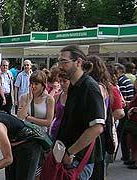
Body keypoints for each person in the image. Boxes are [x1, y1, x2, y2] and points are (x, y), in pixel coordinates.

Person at [53, 45, 105, 180]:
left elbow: (97, 127)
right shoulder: (73, 86)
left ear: (79, 62)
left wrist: (70, 152)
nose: (60, 66)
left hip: (79, 159)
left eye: (64, 62)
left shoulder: (90, 87)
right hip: (67, 156)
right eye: (59, 62)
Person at [17, 70, 54, 179]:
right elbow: (19, 117)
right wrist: (29, 100)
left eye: (36, 84)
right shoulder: (24, 97)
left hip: (41, 138)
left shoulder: (49, 99)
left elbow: (48, 122)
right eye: (31, 83)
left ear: (43, 85)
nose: (33, 86)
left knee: (39, 170)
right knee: (27, 170)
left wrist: (29, 117)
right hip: (27, 138)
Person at [114, 63, 135, 164]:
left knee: (122, 133)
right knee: (125, 133)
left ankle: (125, 155)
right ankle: (127, 155)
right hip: (129, 107)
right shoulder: (126, 79)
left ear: (120, 71)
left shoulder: (121, 81)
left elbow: (123, 97)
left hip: (125, 108)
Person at [126, 73, 137, 169]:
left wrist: (132, 109)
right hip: (136, 121)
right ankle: (135, 160)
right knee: (135, 142)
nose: (134, 84)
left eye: (136, 82)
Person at [49, 72, 70, 140]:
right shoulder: (58, 96)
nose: (61, 83)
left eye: (64, 81)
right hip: (55, 131)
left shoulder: (76, 97)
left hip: (68, 133)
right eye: (60, 81)